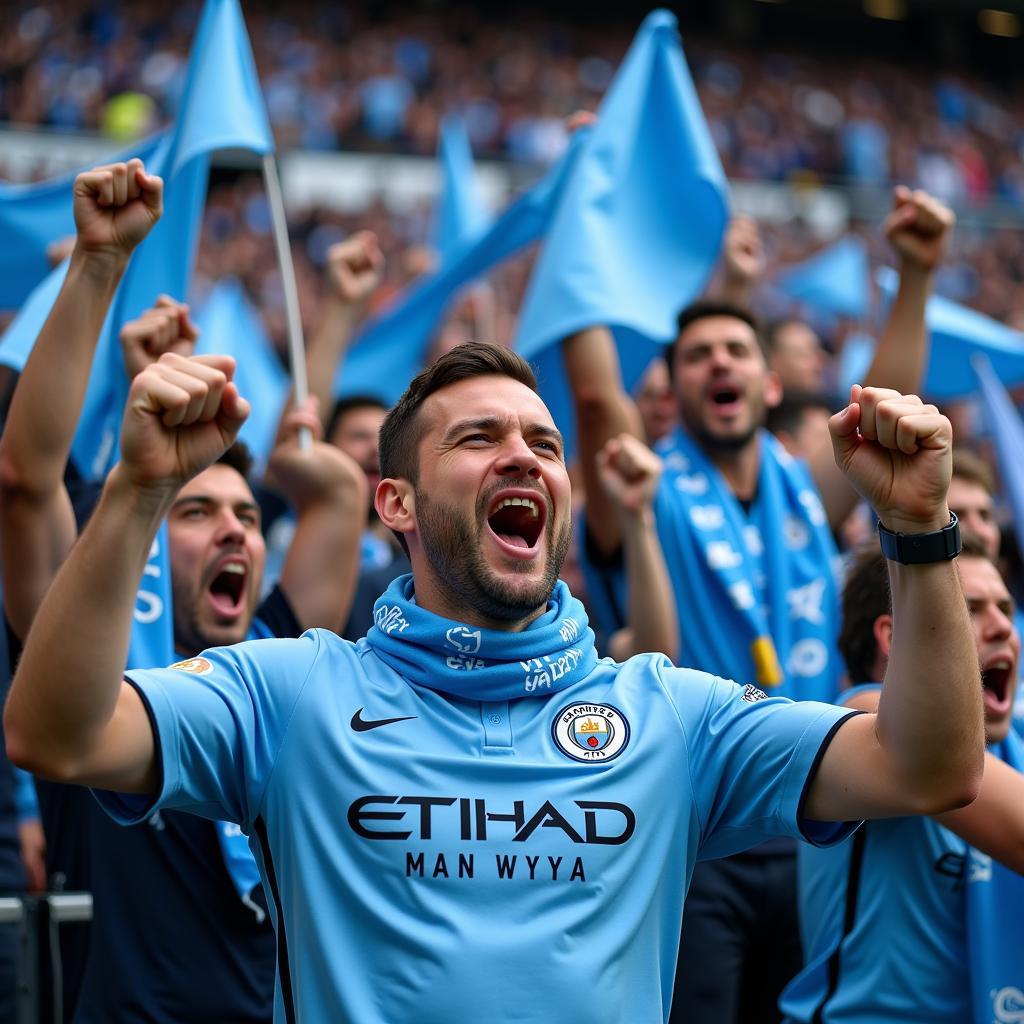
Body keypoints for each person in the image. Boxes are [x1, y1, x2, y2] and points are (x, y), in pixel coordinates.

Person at [5, 323, 983, 1018]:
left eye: (545, 445)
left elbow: (928, 767)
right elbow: (55, 733)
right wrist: (138, 490)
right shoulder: (291, 693)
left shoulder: (669, 714)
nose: (524, 456)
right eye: (478, 438)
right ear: (393, 500)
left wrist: (918, 532)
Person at [562, 190, 954, 1023]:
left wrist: (916, 273)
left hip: (819, 813)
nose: (718, 365)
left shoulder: (802, 485)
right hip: (696, 828)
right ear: (673, 384)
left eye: (736, 349)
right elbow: (597, 400)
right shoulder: (644, 483)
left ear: (771, 382)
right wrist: (580, 205)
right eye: (696, 355)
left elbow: (886, 407)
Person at [0, 159, 366, 1022]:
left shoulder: (275, 662)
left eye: (247, 513)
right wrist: (99, 263)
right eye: (196, 509)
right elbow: (23, 478)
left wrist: (337, 325)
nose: (237, 527)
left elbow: (341, 500)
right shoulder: (84, 675)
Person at [781, 533, 1024, 1023]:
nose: (1004, 628)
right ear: (895, 638)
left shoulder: (1012, 740)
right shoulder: (864, 720)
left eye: (1006, 607)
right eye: (971, 610)